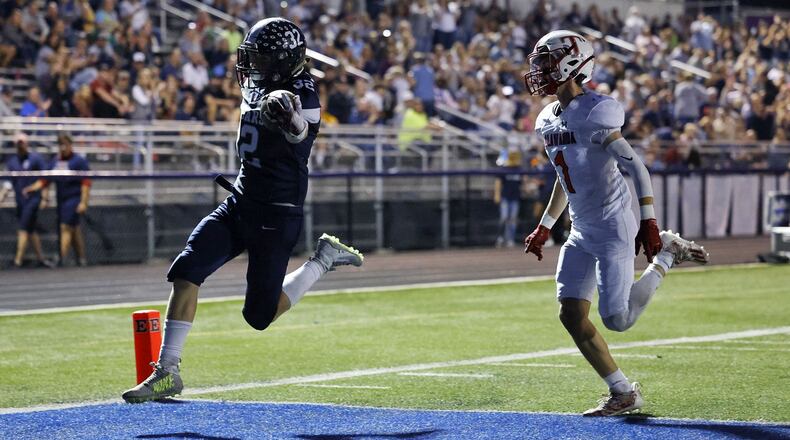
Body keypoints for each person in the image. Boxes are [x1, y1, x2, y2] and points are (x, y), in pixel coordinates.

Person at [121, 17, 363, 403]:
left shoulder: (303, 93)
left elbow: (303, 136)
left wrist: (292, 120)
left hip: (277, 212)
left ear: (282, 61)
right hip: (240, 199)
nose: (252, 66)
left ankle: (323, 260)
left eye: (261, 59)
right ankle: (167, 372)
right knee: (187, 269)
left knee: (259, 317)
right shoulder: (260, 85)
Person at [522, 30, 709, 417]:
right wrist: (545, 225)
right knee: (570, 315)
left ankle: (667, 257)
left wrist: (650, 222)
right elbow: (564, 177)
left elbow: (636, 167)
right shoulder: (546, 119)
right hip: (580, 228)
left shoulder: (597, 111)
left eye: (545, 61)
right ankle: (622, 392)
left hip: (612, 226)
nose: (538, 69)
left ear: (571, 63)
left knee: (618, 319)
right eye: (538, 61)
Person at [24, 133, 91, 266]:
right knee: (74, 228)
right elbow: (45, 179)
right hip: (61, 199)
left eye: (65, 145)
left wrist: (84, 202)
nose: (62, 148)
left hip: (74, 198)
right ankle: (82, 258)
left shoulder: (78, 161)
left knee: (65, 227)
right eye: (60, 145)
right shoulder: (56, 161)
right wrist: (33, 188)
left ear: (70, 145)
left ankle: (61, 257)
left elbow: (86, 183)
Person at [0, 133, 51, 268]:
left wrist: (44, 196)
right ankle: (41, 259)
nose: (21, 145)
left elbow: (45, 179)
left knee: (23, 228)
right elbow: (8, 183)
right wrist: (2, 196)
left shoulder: (36, 158)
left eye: (22, 142)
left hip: (33, 200)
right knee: (31, 229)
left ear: (27, 143)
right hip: (20, 201)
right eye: (18, 143)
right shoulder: (12, 162)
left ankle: (18, 260)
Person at [494, 148, 524, 248]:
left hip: (515, 197)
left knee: (513, 219)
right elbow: (498, 182)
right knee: (504, 217)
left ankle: (510, 239)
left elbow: (522, 182)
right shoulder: (504, 168)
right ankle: (500, 238)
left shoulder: (519, 169)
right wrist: (497, 195)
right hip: (505, 197)